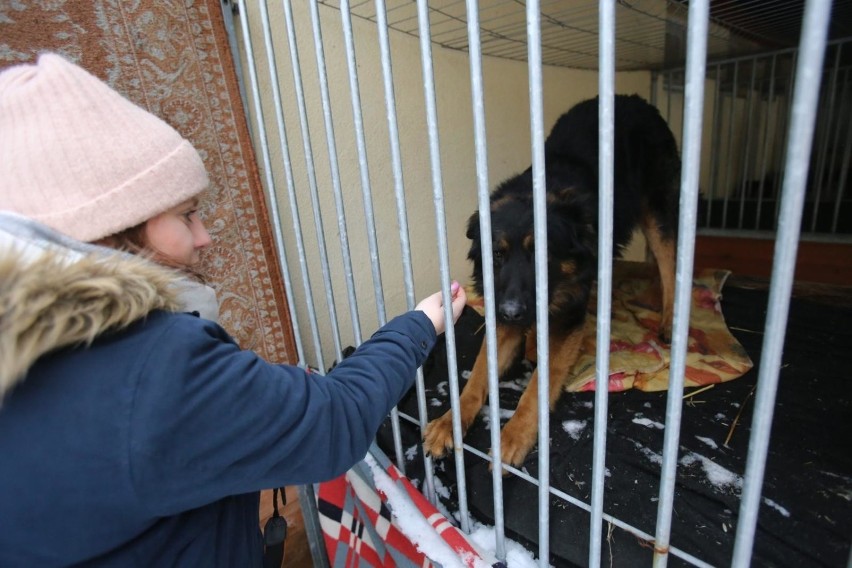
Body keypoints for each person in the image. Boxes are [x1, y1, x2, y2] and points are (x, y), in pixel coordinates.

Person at [0, 53, 466, 567]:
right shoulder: (149, 368)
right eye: (186, 215)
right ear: (111, 228)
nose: (204, 236)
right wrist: (423, 323)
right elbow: (334, 420)